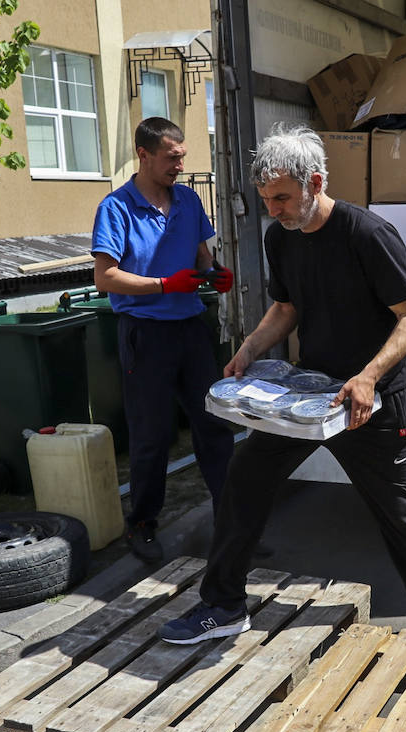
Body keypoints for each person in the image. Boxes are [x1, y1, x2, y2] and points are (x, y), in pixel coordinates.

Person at [157, 124, 406, 643]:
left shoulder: (368, 234)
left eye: (281, 197)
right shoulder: (283, 237)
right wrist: (250, 348)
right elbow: (287, 307)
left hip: (370, 401)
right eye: (266, 199)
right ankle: (224, 606)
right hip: (310, 395)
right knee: (243, 483)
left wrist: (368, 376)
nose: (273, 209)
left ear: (315, 182)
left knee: (398, 508)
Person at [91, 117, 235, 564]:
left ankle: (232, 519)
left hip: (190, 328)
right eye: (172, 158)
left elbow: (202, 256)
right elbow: (105, 277)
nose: (179, 165)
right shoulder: (115, 208)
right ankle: (143, 524)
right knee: (152, 435)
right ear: (144, 154)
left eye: (182, 157)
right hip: (145, 333)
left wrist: (216, 275)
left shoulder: (189, 200)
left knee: (214, 423)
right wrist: (162, 285)